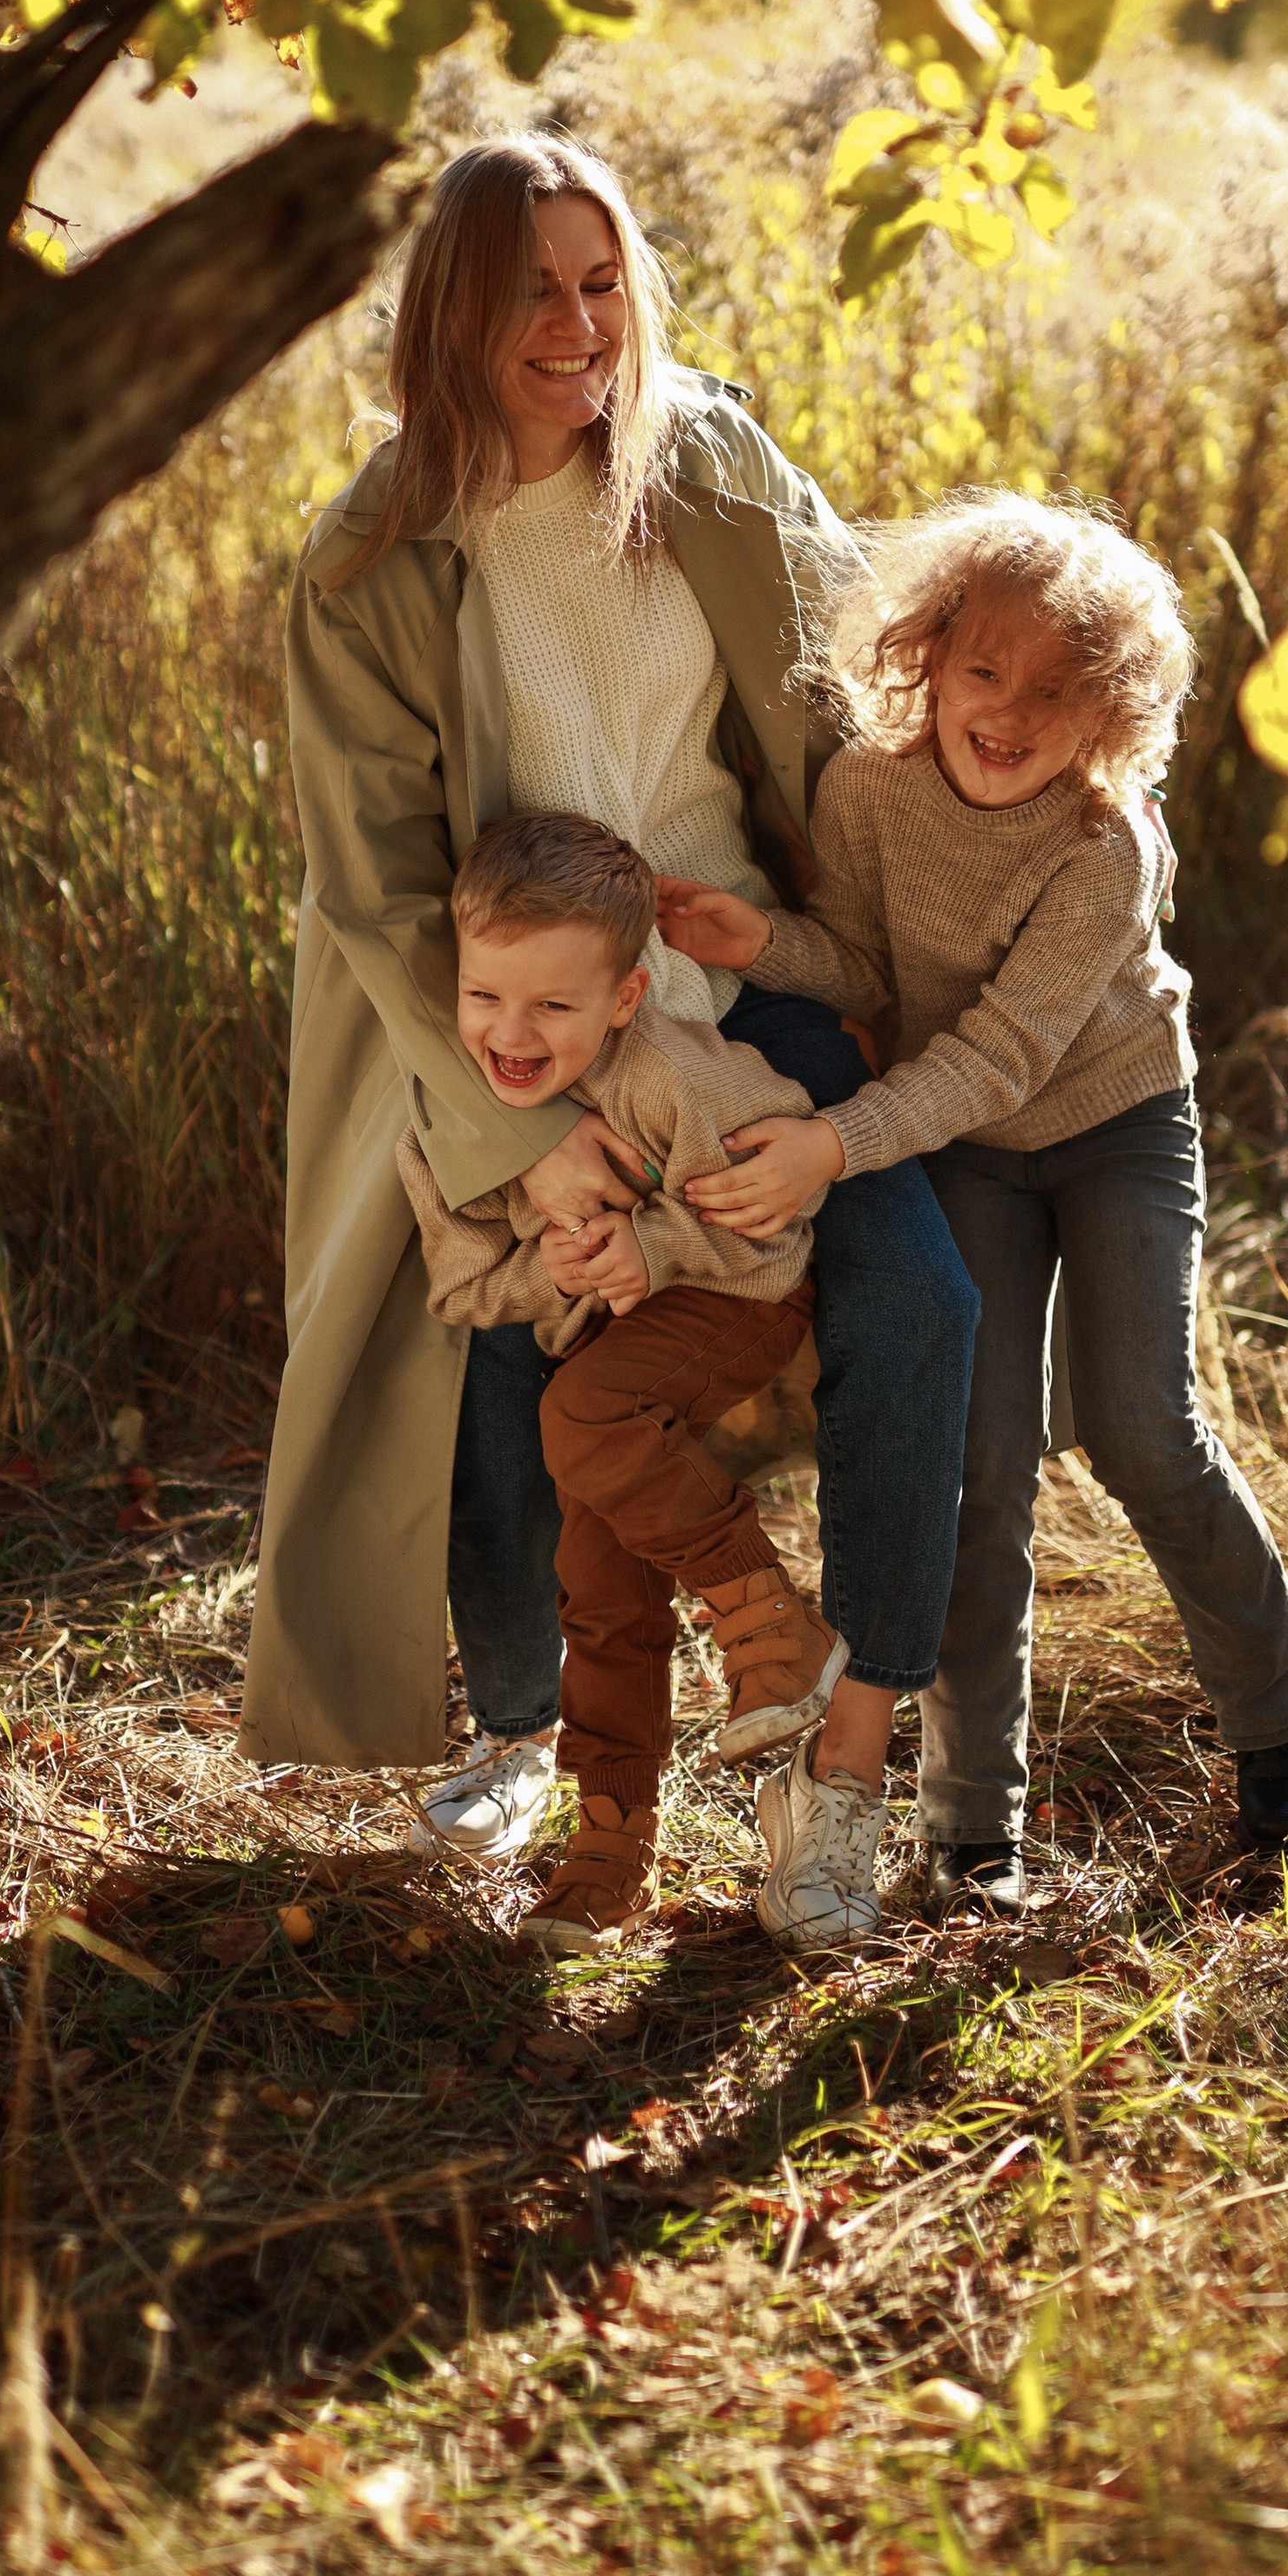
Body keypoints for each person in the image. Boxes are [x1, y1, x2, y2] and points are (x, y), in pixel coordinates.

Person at [235, 132, 980, 1949]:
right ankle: (518, 1729)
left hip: (753, 977)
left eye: (600, 282)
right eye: (529, 297)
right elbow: (377, 884)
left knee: (916, 1303)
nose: (577, 327)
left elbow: (861, 671)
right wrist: (528, 1130)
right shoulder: (373, 556)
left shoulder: (704, 453)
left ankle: (850, 1758)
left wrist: (999, 870)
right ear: (448, 320)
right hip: (510, 1016)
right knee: (492, 1364)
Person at [659, 490, 1288, 1923]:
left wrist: (835, 1148)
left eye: (1057, 690)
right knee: (978, 1461)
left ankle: (1287, 1728)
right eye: (985, 671)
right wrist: (764, 940)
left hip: (1110, 1122)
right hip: (956, 1140)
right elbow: (867, 961)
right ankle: (973, 1828)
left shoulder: (1106, 847)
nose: (1011, 711)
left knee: (1140, 1425)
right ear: (929, 658)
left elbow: (1005, 1051)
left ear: (1109, 712)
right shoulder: (868, 791)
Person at [396, 807, 844, 1954]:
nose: (513, 1033)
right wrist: (550, 1274)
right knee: (594, 1577)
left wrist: (657, 1250)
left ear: (624, 1001)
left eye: (555, 1006)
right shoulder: (448, 1125)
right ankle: (608, 1851)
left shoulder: (672, 1078)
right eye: (486, 997)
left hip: (734, 1301)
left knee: (578, 1409)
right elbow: (461, 1289)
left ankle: (767, 1621)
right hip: (600, 1359)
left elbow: (778, 1223)